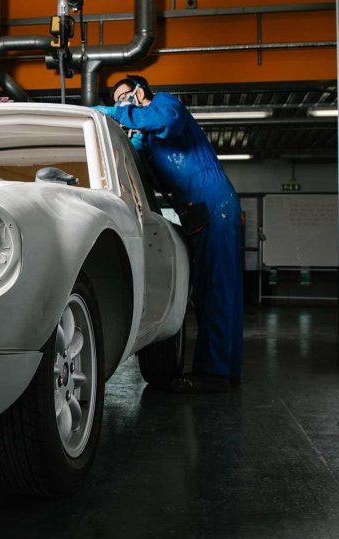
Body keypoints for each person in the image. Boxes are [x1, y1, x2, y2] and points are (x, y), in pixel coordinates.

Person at [94, 75, 243, 393]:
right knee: (208, 291)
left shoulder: (165, 104)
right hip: (196, 211)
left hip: (214, 203)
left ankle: (215, 374)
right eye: (117, 99)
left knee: (217, 290)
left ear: (140, 91)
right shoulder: (146, 141)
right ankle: (224, 371)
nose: (122, 103)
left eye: (125, 96)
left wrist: (110, 112)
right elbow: (130, 157)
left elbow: (166, 121)